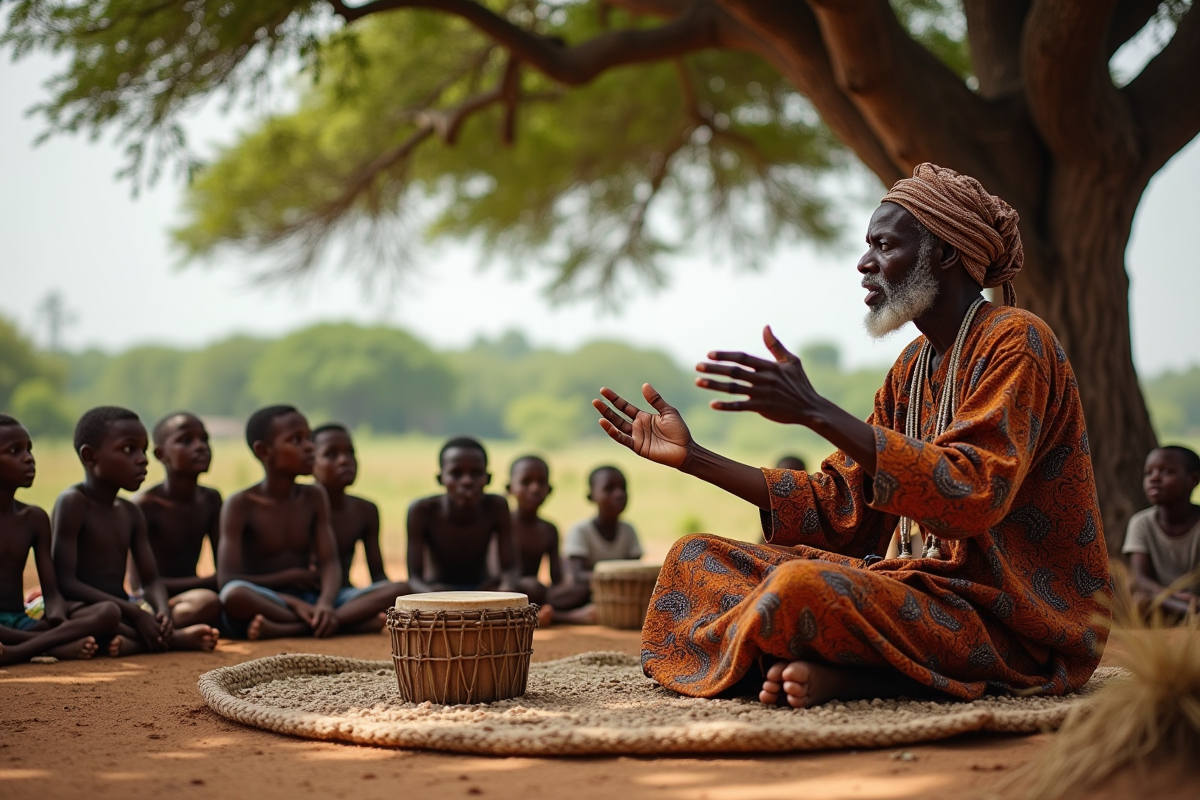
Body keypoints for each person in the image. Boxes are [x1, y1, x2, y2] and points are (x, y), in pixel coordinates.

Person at [592, 163, 1110, 708]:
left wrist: (815, 410)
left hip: (1009, 621)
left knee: (797, 590)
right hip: (915, 591)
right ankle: (822, 664)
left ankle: (837, 671)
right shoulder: (912, 367)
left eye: (884, 246)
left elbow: (973, 492)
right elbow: (840, 508)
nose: (865, 264)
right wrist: (694, 458)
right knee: (693, 558)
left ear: (947, 253)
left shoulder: (1017, 340)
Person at [218, 406, 404, 639]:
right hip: (271, 599)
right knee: (234, 595)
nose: (309, 447)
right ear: (263, 451)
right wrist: (290, 590)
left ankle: (295, 628)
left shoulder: (314, 497)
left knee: (401, 591)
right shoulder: (240, 504)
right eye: (296, 440)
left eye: (309, 438)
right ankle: (343, 623)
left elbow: (329, 563)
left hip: (317, 599)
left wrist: (326, 603)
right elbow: (227, 578)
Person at [52, 407, 219, 655]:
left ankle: (141, 637)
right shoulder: (73, 502)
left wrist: (161, 611)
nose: (142, 459)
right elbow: (64, 581)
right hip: (81, 608)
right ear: (90, 456)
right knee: (108, 614)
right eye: (129, 449)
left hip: (123, 608)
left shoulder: (130, 511)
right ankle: (171, 641)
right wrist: (135, 614)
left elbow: (150, 579)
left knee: (205, 602)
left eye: (143, 449)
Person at [0, 414, 120, 664]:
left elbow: (52, 593)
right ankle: (52, 645)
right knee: (71, 633)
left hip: (24, 622)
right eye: (14, 451)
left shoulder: (33, 518)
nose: (28, 458)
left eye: (29, 449)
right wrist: (62, 634)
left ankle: (22, 650)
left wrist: (58, 616)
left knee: (108, 612)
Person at [129, 412, 222, 630]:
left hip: (191, 597)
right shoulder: (145, 505)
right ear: (161, 454)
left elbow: (224, 570)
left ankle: (159, 629)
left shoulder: (210, 500)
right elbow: (138, 585)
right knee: (207, 603)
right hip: (152, 599)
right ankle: (160, 628)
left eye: (205, 439)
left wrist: (216, 583)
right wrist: (207, 582)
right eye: (186, 440)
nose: (201, 447)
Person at [311, 423, 408, 620]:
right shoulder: (297, 505)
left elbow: (378, 575)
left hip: (346, 597)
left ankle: (328, 620)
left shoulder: (365, 510)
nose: (344, 461)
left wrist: (390, 599)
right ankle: (343, 620)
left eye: (350, 453)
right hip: (304, 597)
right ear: (310, 463)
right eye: (331, 454)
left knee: (403, 589)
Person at [406, 437, 518, 593]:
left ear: (488, 478)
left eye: (476, 473)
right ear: (441, 479)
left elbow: (510, 569)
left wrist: (505, 591)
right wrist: (434, 598)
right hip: (437, 591)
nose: (467, 481)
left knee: (532, 588)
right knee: (397, 590)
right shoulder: (422, 511)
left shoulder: (497, 506)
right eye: (456, 473)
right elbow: (415, 579)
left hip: (483, 590)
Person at [506, 455, 590, 625]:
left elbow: (556, 578)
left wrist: (568, 584)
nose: (535, 488)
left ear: (549, 489)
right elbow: (498, 573)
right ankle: (560, 617)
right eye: (526, 482)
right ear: (510, 488)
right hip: (506, 590)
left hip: (537, 593)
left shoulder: (549, 529)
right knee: (528, 587)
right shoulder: (503, 524)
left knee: (582, 589)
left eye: (541, 482)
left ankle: (535, 614)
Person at [1123, 445, 1200, 617]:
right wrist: (1170, 595)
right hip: (1160, 600)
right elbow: (1140, 579)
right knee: (1140, 600)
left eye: (1166, 471)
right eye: (1148, 473)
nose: (1154, 478)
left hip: (1195, 599)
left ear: (1193, 480)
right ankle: (1191, 615)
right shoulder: (1141, 523)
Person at [563, 466, 643, 591]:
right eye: (609, 489)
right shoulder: (580, 531)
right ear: (591, 496)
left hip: (619, 592)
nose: (619, 494)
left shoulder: (629, 531)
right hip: (590, 591)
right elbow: (577, 576)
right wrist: (616, 578)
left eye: (623, 488)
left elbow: (636, 572)